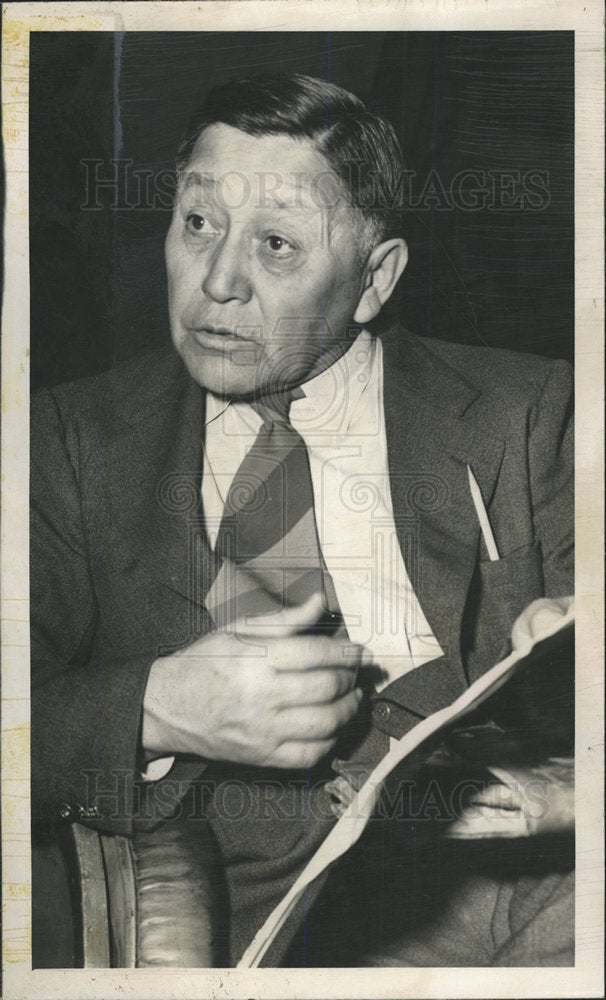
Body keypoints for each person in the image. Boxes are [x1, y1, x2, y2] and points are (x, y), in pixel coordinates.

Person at [31, 74, 574, 968]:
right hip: (289, 927)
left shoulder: (527, 409)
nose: (217, 282)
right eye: (198, 223)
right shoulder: (67, 441)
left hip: (530, 869)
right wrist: (155, 709)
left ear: (374, 279)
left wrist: (572, 778)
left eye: (277, 244)